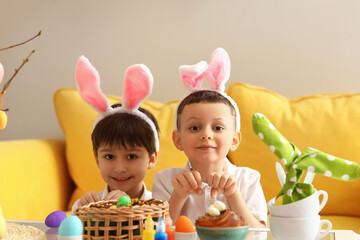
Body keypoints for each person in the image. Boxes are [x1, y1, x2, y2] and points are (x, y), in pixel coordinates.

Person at [152, 48, 267, 227]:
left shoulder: (248, 179)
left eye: (218, 128)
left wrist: (233, 195)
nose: (206, 134)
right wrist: (178, 195)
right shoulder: (165, 180)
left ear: (234, 140)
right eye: (194, 127)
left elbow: (258, 235)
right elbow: (155, 232)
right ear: (178, 140)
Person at [71, 56, 159, 213]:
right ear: (97, 159)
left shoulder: (159, 206)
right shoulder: (85, 206)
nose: (119, 168)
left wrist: (129, 209)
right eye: (109, 157)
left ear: (151, 159)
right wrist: (84, 214)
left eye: (131, 156)